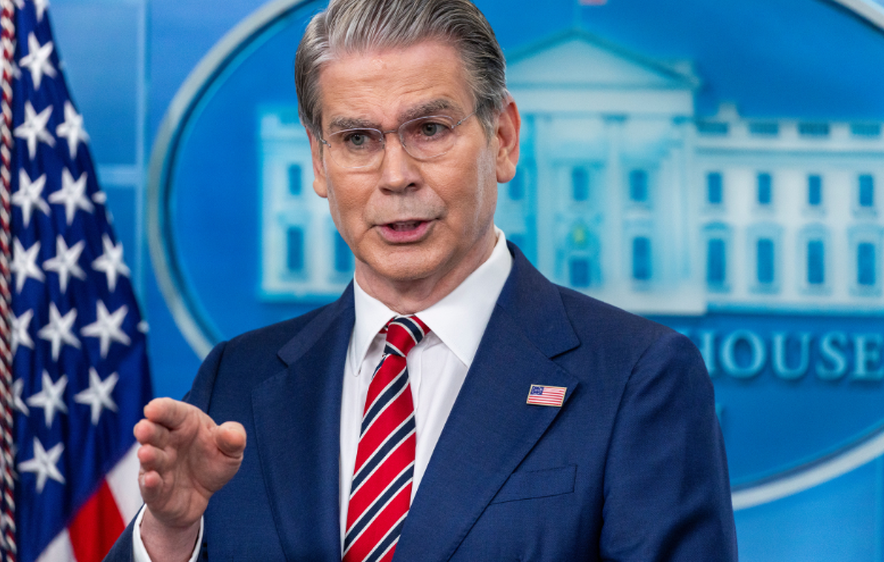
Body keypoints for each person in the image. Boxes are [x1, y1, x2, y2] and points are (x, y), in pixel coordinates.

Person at [106, 0, 737, 560]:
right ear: (320, 164)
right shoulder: (236, 380)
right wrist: (168, 537)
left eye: (429, 130)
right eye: (357, 139)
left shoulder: (639, 379)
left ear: (504, 139)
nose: (396, 176)